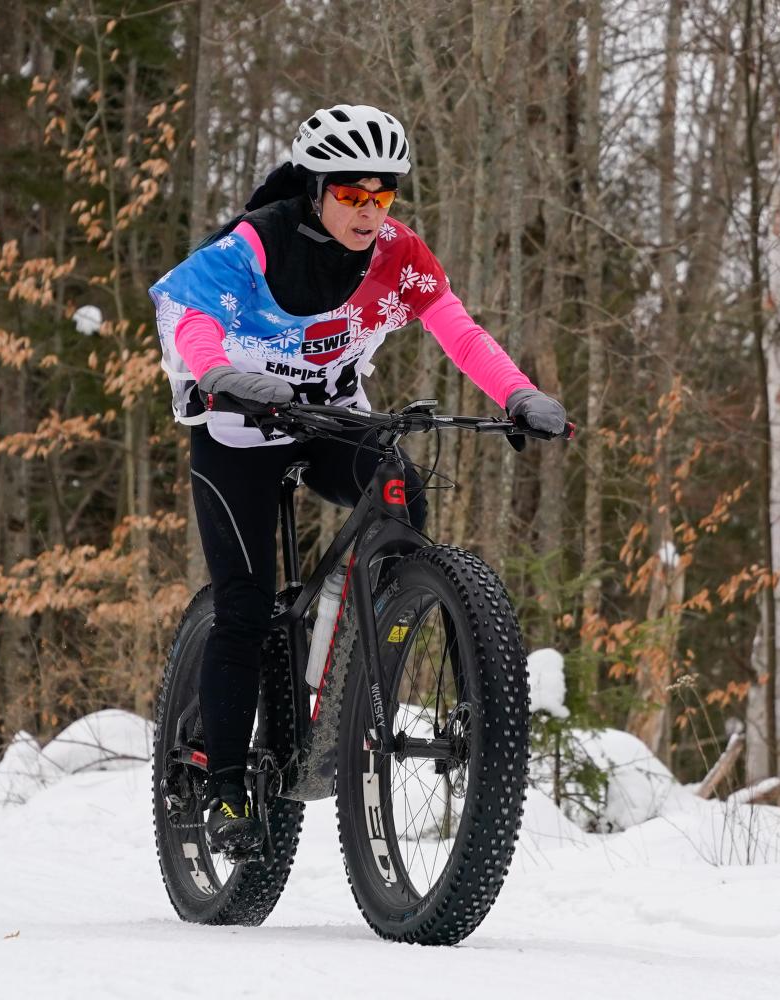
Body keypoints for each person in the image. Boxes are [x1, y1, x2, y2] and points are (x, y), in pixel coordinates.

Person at [148, 104, 565, 853]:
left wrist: (518, 394)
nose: (369, 211)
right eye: (352, 194)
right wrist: (221, 374)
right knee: (244, 610)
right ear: (316, 189)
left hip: (336, 420)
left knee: (399, 486)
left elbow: (457, 330)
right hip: (241, 430)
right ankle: (224, 785)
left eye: (383, 195)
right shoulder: (255, 245)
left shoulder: (398, 256)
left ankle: (354, 654)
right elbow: (193, 321)